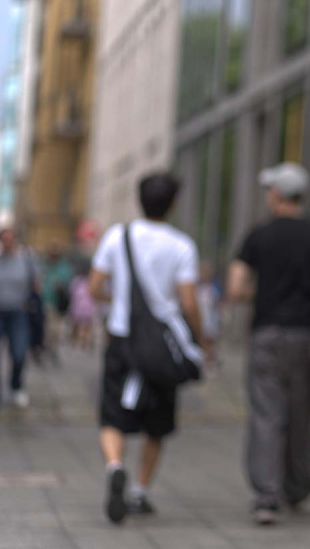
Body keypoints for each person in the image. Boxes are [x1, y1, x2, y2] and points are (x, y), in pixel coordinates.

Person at [227, 162, 310, 525]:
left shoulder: (257, 235)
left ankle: (266, 496)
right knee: (299, 411)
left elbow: (235, 288)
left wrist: (258, 292)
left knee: (266, 414)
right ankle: (298, 486)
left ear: (277, 195)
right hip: (304, 337)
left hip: (266, 334)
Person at [89, 173, 207, 524]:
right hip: (161, 345)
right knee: (157, 423)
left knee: (112, 414)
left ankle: (114, 467)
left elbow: (94, 288)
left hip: (122, 337)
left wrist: (119, 301)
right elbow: (188, 301)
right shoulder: (182, 245)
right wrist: (199, 339)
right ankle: (140, 493)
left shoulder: (117, 237)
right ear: (172, 205)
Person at [0, 227, 35, 408]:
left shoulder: (25, 258)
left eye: (9, 239)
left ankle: (16, 386)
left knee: (19, 352)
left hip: (18, 313)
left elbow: (35, 284)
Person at [41, 240, 73, 359]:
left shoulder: (63, 266)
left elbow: (67, 280)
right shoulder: (44, 264)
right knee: (48, 327)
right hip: (46, 301)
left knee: (55, 329)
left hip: (58, 303)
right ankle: (47, 347)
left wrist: (60, 285)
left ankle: (51, 347)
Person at [68, 258, 97, 353]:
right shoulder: (86, 281)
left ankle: (83, 342)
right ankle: (84, 342)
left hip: (81, 308)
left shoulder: (78, 281)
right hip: (85, 308)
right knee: (84, 326)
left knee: (83, 326)